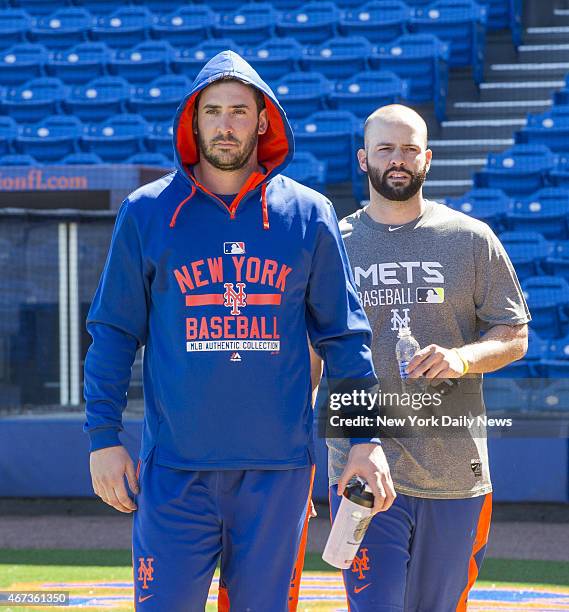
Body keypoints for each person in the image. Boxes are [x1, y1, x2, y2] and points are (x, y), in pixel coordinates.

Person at [83, 50, 394, 611]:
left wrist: (367, 442)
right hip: (175, 471)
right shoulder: (147, 212)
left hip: (277, 473)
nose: (225, 125)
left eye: (239, 111)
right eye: (213, 111)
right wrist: (103, 438)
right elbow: (112, 334)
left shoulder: (309, 214)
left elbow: (346, 341)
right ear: (193, 120)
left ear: (262, 121)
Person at [323, 104, 531, 611]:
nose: (399, 160)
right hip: (363, 471)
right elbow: (313, 353)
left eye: (410, 149)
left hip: (455, 473)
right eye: (386, 148)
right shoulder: (333, 244)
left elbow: (514, 334)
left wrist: (462, 358)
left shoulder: (470, 239)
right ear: (363, 158)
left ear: (428, 159)